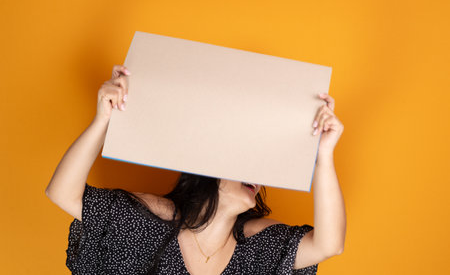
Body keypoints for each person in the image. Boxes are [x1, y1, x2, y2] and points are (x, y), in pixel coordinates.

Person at [46, 65, 346, 274]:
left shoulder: (255, 244)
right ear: (208, 165)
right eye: (246, 160)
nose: (257, 173)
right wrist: (103, 119)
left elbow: (328, 244)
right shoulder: (154, 221)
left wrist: (323, 155)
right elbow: (62, 193)